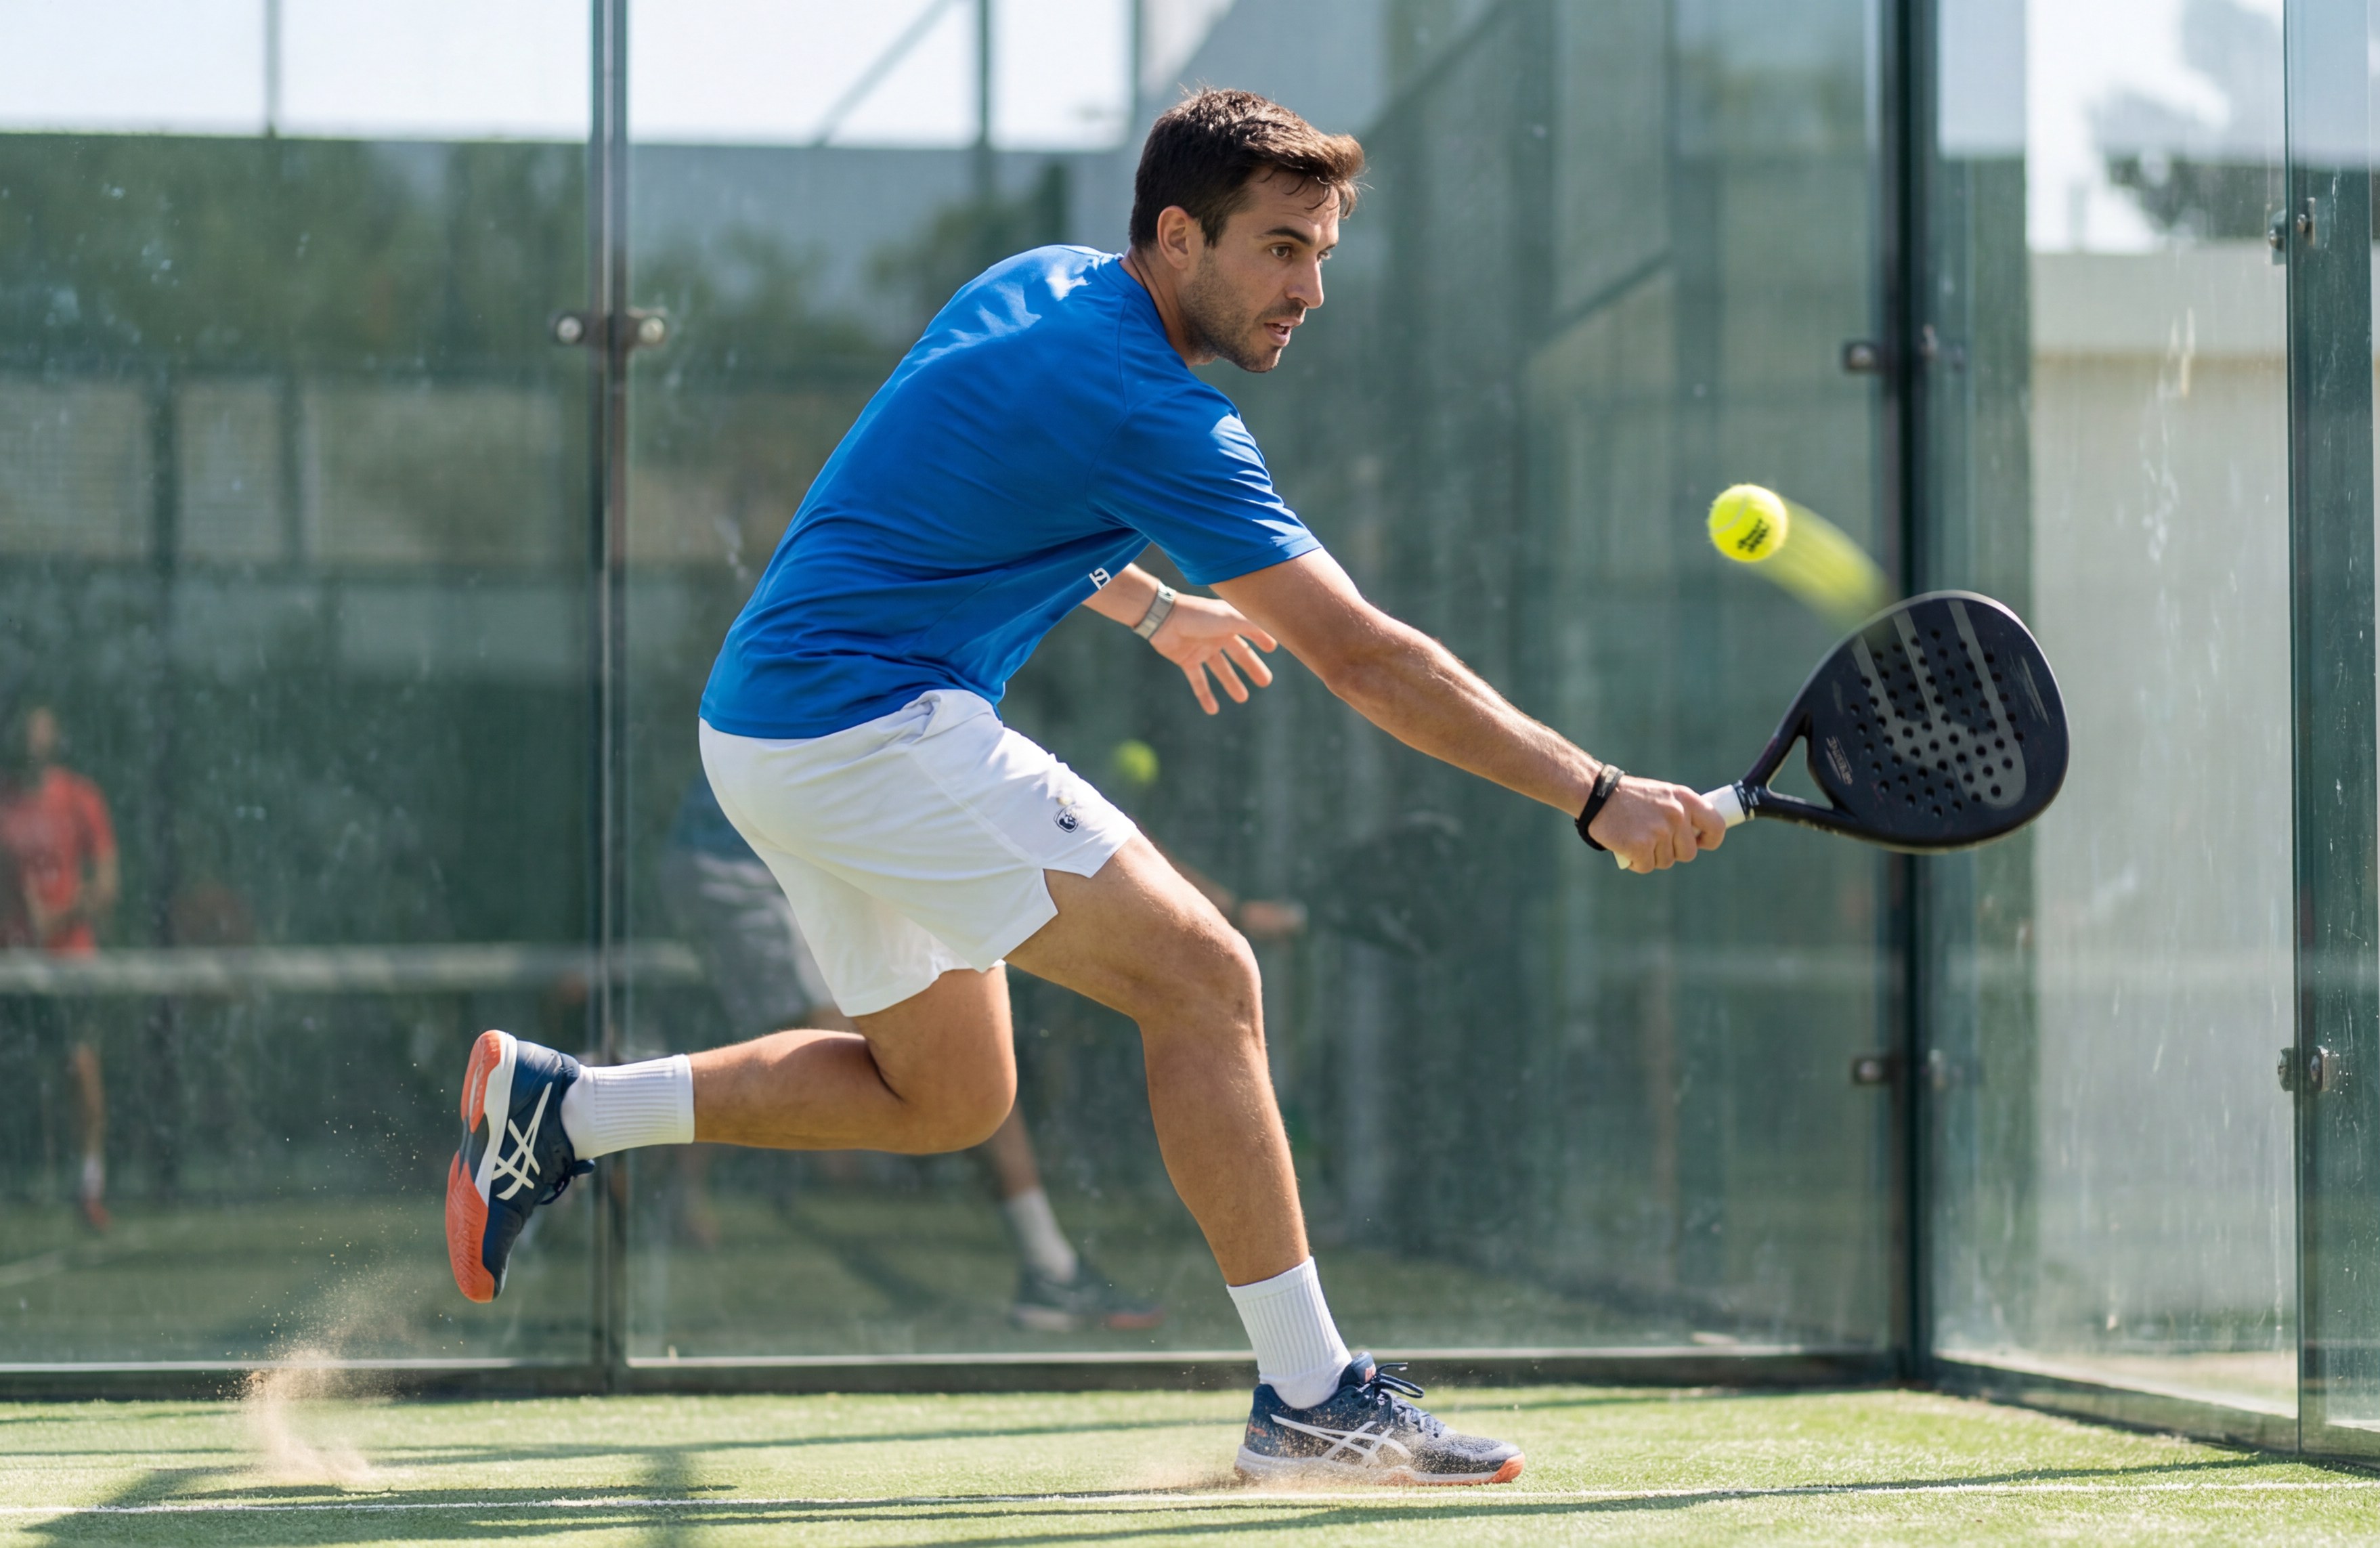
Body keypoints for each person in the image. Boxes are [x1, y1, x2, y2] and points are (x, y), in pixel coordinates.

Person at [444, 89, 1722, 1485]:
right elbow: (1359, 656)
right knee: (1205, 977)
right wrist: (1595, 792)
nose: (1309, 288)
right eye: (1281, 248)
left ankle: (566, 1115)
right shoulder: (1155, 411)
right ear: (1179, 237)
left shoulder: (1038, 285)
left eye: (1323, 253)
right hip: (866, 724)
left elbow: (949, 478)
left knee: (945, 1100)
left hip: (767, 732)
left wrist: (1147, 607)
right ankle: (1311, 1398)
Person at [659, 770, 1167, 1331]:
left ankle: (1049, 1263)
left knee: (951, 1064)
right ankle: (597, 1130)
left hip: (844, 849)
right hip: (760, 866)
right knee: (875, 1059)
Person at [0, 706, 121, 1232]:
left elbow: (108, 885)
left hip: (69, 965)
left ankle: (89, 1187)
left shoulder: (81, 799)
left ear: (57, 736)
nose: (33, 738)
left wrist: (60, 914)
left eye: (43, 727)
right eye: (25, 727)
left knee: (81, 1069)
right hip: (11, 967)